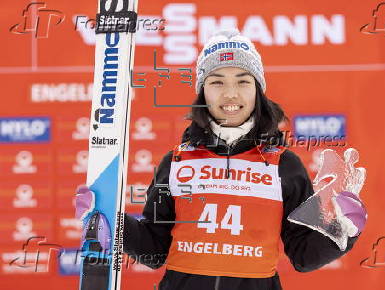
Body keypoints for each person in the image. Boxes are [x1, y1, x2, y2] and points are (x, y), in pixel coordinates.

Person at [75, 28, 367, 290]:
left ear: (258, 91)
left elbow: (303, 255)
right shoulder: (176, 162)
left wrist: (342, 231)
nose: (230, 93)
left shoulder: (284, 165)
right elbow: (155, 250)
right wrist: (113, 224)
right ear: (203, 90)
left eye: (243, 81)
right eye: (216, 82)